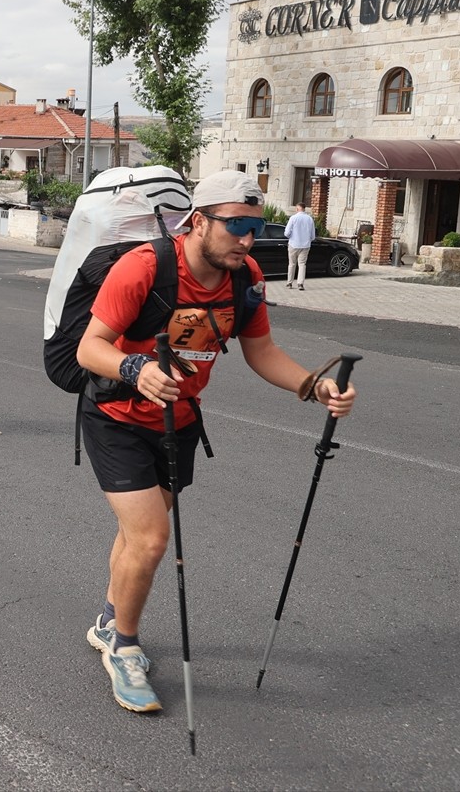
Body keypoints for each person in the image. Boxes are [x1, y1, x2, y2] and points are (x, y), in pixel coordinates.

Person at [75, 170, 357, 714]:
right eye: (237, 226)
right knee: (153, 538)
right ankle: (124, 646)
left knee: (138, 534)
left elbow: (262, 351)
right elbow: (92, 347)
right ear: (199, 221)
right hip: (117, 416)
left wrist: (314, 386)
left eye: (256, 225)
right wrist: (135, 368)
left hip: (179, 423)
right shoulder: (144, 267)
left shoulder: (245, 276)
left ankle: (109, 619)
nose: (248, 239)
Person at [284, 202, 316, 291]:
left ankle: (289, 282)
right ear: (304, 209)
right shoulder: (309, 219)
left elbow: (286, 233)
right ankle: (300, 283)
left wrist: (291, 236)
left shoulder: (293, 218)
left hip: (293, 244)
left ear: (297, 209)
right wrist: (309, 239)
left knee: (292, 264)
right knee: (302, 264)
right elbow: (313, 235)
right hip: (305, 245)